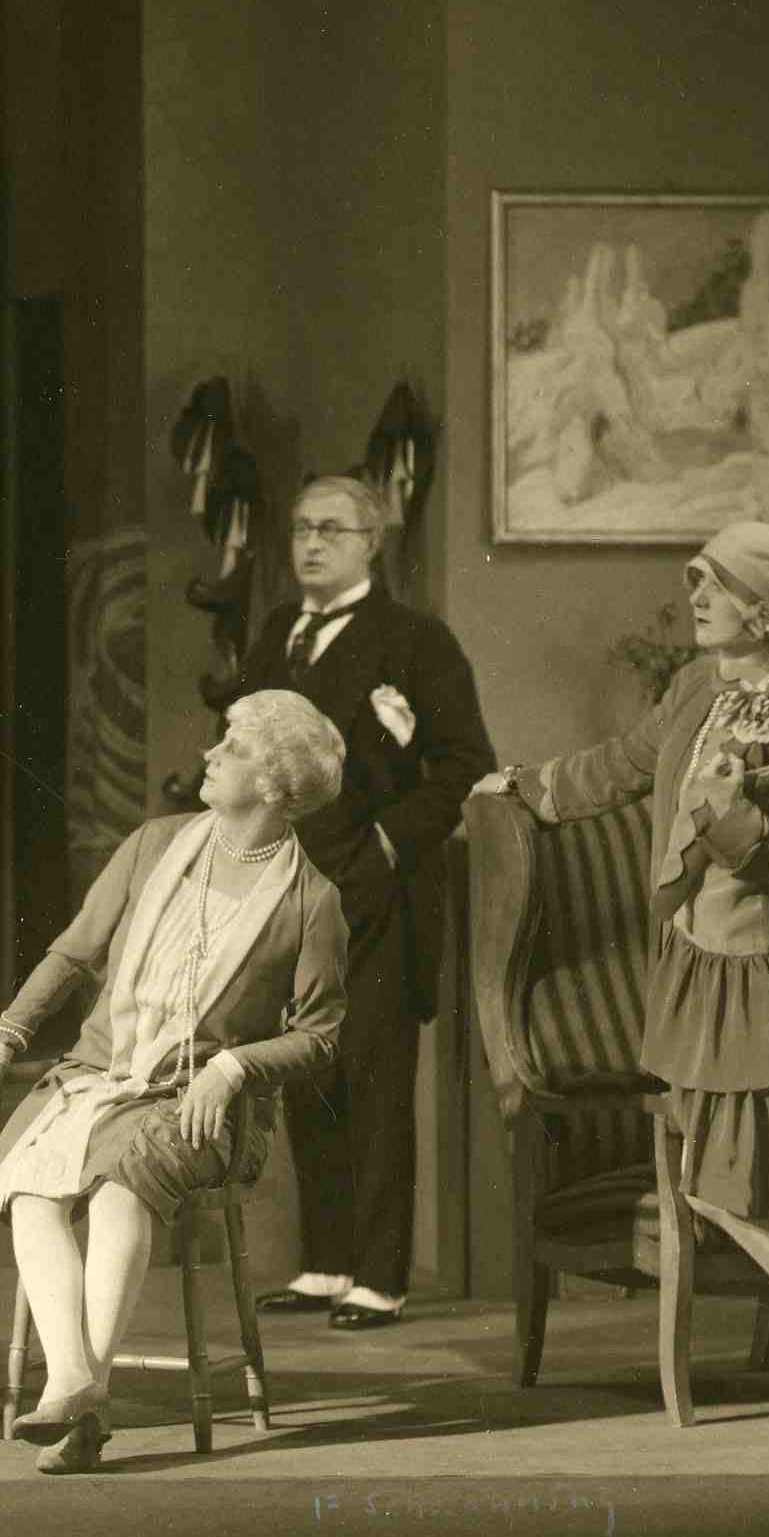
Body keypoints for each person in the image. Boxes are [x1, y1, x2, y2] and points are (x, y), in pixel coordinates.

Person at [470, 517, 769, 1424]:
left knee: (727, 1181)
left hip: (767, 975)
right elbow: (624, 765)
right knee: (715, 1178)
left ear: (763, 608)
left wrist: (744, 833)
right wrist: (527, 784)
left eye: (715, 584)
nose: (696, 596)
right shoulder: (696, 685)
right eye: (697, 580)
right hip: (696, 966)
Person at [0, 689, 350, 1476]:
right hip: (99, 1074)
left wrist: (233, 1066)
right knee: (31, 1187)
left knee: (119, 1189)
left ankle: (77, 1399)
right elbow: (74, 951)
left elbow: (320, 1035)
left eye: (232, 745)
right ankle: (77, 1387)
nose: (209, 753)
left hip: (204, 1103)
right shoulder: (154, 844)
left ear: (273, 785)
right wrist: (2, 1041)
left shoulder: (312, 901)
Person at [245, 472, 494, 1333]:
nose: (311, 543)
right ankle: (326, 1261)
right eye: (300, 528)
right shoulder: (278, 634)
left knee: (375, 1077)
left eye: (331, 530)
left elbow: (463, 764)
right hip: (287, 886)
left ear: (371, 543)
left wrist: (386, 843)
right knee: (305, 1069)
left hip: (377, 892)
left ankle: (380, 1275)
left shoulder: (416, 641)